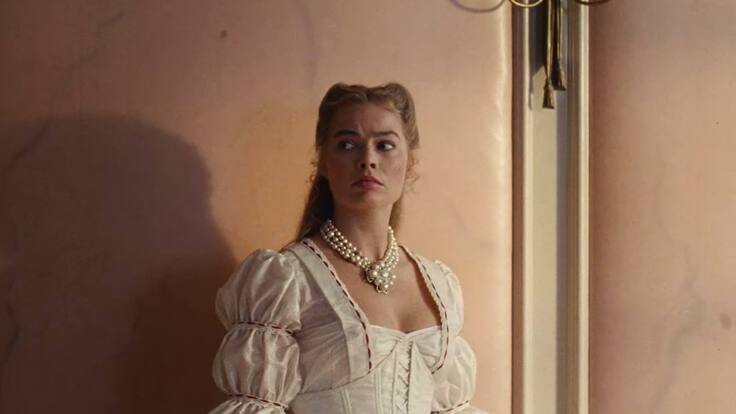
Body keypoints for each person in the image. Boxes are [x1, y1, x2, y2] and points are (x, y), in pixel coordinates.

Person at [209, 83, 487, 413]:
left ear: (409, 163)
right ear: (323, 162)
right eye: (347, 145)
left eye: (385, 145)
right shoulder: (285, 280)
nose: (367, 160)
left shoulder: (440, 284)